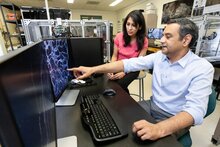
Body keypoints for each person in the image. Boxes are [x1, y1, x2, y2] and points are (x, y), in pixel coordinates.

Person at [68, 18, 214, 143]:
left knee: (140, 140)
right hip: (153, 105)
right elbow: (127, 64)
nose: (161, 40)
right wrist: (92, 69)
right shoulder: (159, 57)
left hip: (175, 116)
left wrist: (158, 128)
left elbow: (195, 111)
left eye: (168, 36)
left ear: (186, 40)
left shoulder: (202, 68)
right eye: (163, 35)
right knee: (117, 119)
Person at [108, 10, 148, 94]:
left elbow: (139, 63)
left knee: (119, 86)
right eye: (128, 24)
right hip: (119, 65)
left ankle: (123, 103)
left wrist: (125, 72)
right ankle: (126, 101)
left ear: (140, 27)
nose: (129, 28)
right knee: (110, 83)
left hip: (134, 68)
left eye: (133, 25)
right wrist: (111, 69)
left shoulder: (144, 41)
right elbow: (114, 56)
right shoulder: (119, 36)